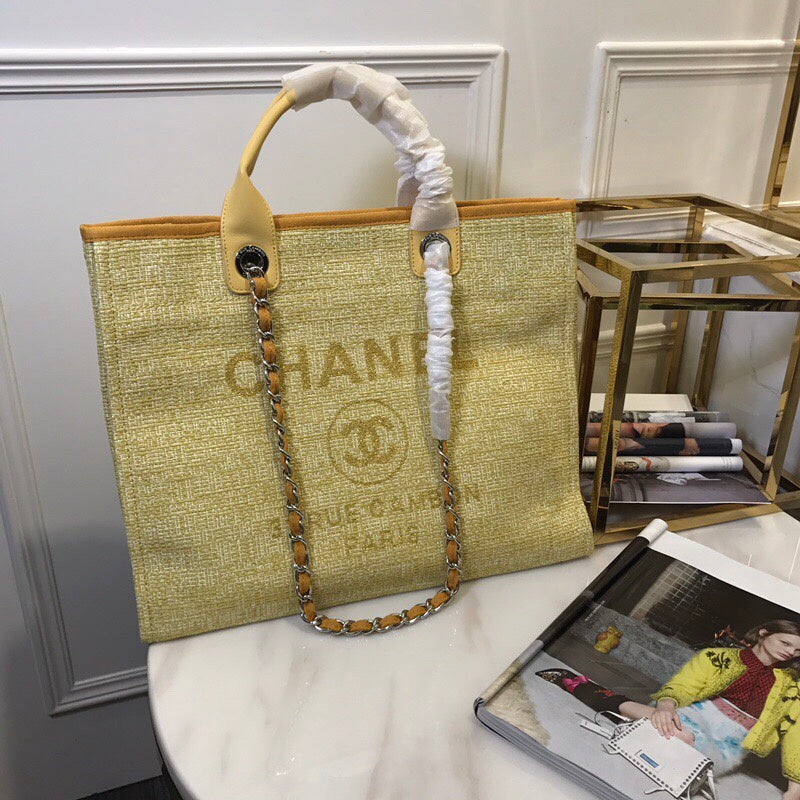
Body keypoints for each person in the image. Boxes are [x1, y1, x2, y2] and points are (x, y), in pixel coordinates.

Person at [536, 620, 800, 799]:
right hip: (698, 715)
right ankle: (590, 692)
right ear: (764, 633)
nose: (791, 652)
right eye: (785, 643)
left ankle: (607, 699)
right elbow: (684, 686)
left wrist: (795, 786)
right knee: (676, 733)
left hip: (733, 742)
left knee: (687, 756)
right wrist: (665, 705)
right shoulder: (718, 658)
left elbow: (795, 733)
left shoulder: (793, 687)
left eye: (798, 650)